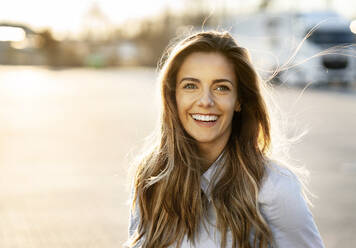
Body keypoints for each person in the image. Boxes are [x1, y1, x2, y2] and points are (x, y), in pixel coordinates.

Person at [125, 31, 325, 248]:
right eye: (190, 86)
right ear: (173, 96)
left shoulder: (276, 186)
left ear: (239, 100)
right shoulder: (151, 176)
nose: (205, 101)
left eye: (221, 88)